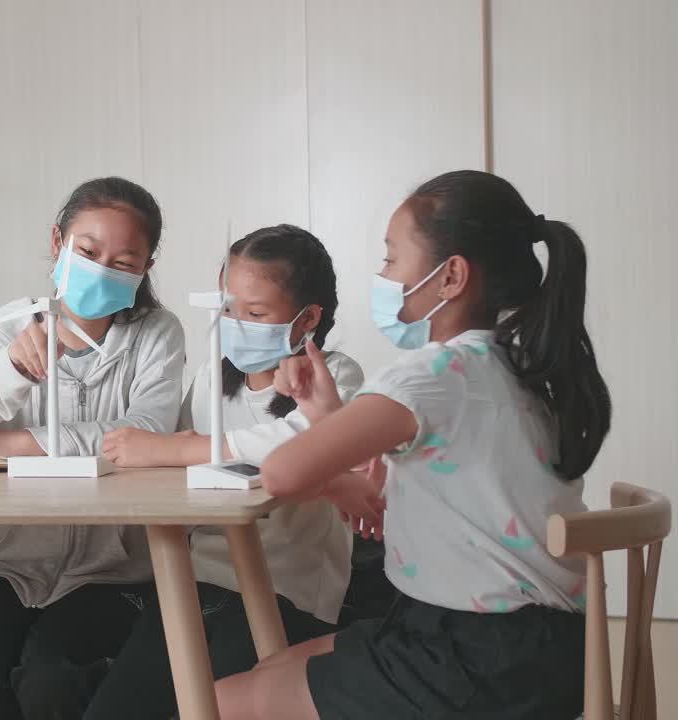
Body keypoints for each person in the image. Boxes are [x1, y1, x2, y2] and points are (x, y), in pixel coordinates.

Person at [216, 170, 611, 720]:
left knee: (212, 703)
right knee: (271, 670)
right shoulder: (514, 365)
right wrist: (328, 416)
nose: (382, 276)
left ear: (450, 276)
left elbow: (282, 474)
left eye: (391, 259)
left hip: (478, 659)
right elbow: (426, 479)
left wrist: (325, 461)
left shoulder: (433, 372)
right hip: (537, 647)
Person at [0, 177, 185, 720]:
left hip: (115, 570)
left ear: (146, 268)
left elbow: (141, 437)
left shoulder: (156, 334)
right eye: (89, 251)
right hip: (5, 563)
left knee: (56, 681)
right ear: (57, 242)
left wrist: (9, 444)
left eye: (125, 261)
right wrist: (11, 369)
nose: (104, 269)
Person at [89, 224, 363, 719]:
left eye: (255, 313)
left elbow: (291, 448)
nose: (236, 322)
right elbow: (168, 459)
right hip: (197, 581)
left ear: (308, 319)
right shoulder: (212, 378)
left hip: (289, 590)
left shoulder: (335, 376)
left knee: (205, 708)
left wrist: (178, 448)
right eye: (227, 308)